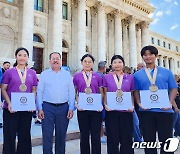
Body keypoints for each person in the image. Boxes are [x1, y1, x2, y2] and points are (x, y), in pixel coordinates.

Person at [134, 45, 177, 154]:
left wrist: (170, 103)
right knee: (149, 142)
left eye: (150, 54)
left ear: (156, 55)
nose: (148, 57)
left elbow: (173, 88)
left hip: (165, 111)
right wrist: (139, 103)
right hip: (146, 111)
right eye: (145, 55)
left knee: (167, 142)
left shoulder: (166, 72)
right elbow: (136, 91)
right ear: (142, 57)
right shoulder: (137, 75)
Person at [36, 52, 75, 154]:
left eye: (57, 58)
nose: (55, 60)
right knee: (47, 135)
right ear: (49, 61)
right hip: (47, 108)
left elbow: (71, 92)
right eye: (53, 59)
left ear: (61, 61)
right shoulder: (44, 74)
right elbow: (39, 92)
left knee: (61, 135)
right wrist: (39, 108)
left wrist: (71, 107)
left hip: (63, 108)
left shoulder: (67, 75)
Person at [1, 47, 38, 154]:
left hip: (26, 109)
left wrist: (32, 103)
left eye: (25, 55)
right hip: (11, 109)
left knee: (25, 136)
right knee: (9, 136)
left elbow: (34, 89)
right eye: (20, 55)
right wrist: (9, 103)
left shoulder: (32, 73)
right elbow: (3, 89)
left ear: (28, 58)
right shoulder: (9, 72)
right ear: (16, 57)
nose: (22, 57)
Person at [103, 55, 134, 154]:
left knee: (127, 137)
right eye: (115, 62)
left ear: (123, 64)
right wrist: (105, 104)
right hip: (112, 111)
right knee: (112, 138)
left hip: (126, 112)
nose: (117, 64)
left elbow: (132, 93)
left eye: (119, 62)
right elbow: (104, 92)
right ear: (111, 64)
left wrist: (132, 105)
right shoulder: (106, 77)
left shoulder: (129, 77)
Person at [73, 54, 103, 154]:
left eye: (89, 61)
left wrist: (100, 104)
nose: (87, 63)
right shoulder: (77, 76)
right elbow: (75, 92)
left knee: (95, 135)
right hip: (83, 109)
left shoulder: (98, 76)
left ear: (93, 63)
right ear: (82, 63)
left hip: (95, 110)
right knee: (84, 135)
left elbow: (101, 92)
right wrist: (78, 102)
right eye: (85, 61)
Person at [96, 61, 107, 143]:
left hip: (94, 99)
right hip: (101, 100)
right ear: (104, 68)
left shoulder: (94, 75)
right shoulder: (103, 76)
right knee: (101, 120)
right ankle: (101, 135)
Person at [0, 61, 11, 128]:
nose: (8, 67)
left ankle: (1, 122)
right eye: (7, 65)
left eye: (9, 66)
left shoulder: (6, 72)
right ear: (3, 65)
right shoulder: (1, 71)